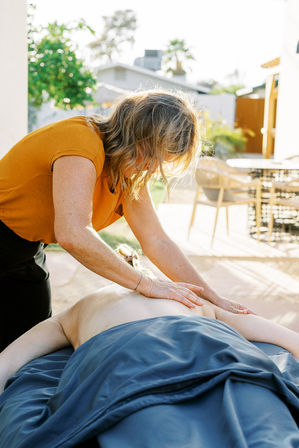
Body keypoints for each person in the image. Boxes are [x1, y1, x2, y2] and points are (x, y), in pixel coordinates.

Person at [0, 89, 252, 351]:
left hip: (25, 249)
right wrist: (146, 283)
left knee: (27, 344)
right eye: (154, 156)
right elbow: (73, 234)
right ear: (136, 136)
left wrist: (212, 297)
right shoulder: (80, 142)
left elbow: (156, 240)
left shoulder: (129, 171)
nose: (154, 169)